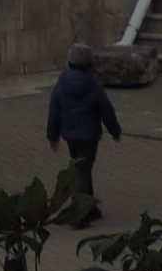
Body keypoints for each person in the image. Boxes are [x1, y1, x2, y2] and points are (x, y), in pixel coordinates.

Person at [46, 41, 123, 217]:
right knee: (82, 172)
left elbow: (54, 111)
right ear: (89, 65)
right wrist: (115, 131)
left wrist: (53, 137)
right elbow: (106, 110)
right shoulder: (93, 85)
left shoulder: (62, 84)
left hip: (70, 136)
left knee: (81, 169)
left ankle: (90, 207)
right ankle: (79, 213)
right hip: (89, 136)